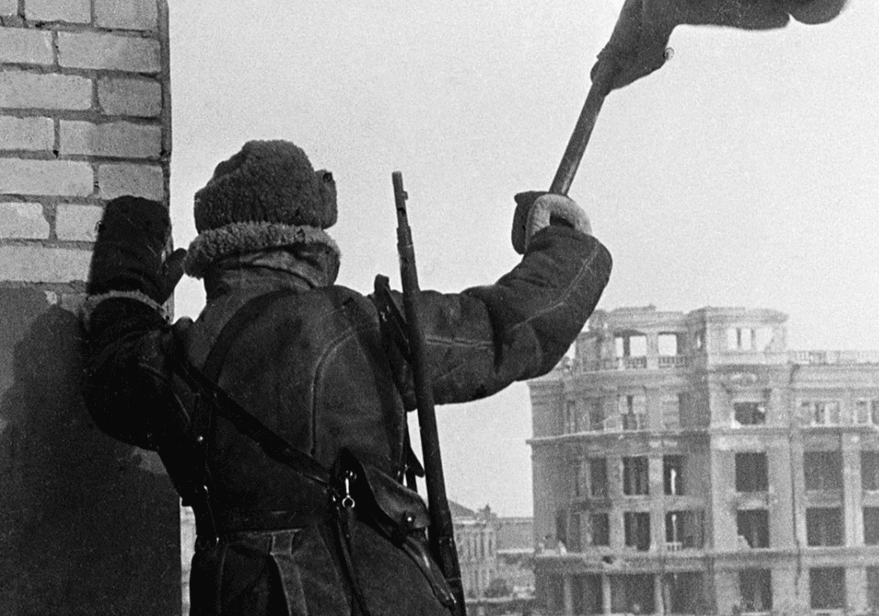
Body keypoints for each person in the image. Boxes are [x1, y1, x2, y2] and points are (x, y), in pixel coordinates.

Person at [82, 140, 611, 615]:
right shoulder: (366, 326)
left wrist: (131, 256)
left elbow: (112, 372)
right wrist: (558, 240)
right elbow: (512, 326)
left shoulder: (180, 357)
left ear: (213, 256)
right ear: (310, 243)